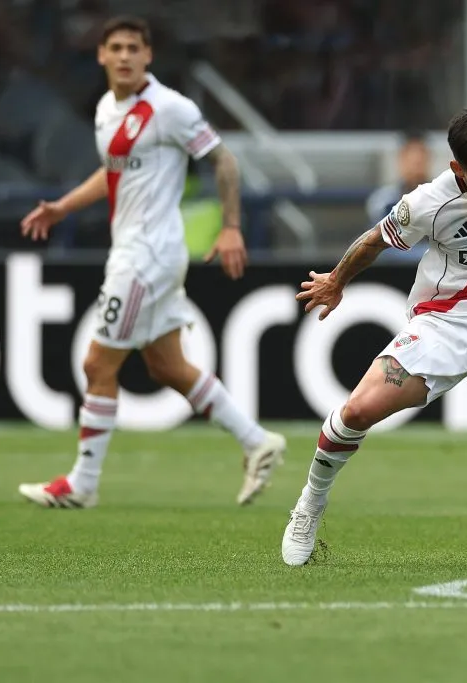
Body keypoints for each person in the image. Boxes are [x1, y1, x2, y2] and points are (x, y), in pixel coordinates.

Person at [281, 104, 467, 566]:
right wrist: (336, 281)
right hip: (444, 323)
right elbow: (375, 239)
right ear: (458, 169)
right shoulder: (428, 204)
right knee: (358, 410)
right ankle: (310, 502)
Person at [17, 16, 286, 509]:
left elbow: (223, 160)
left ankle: (83, 484)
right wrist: (62, 207)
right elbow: (113, 172)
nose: (123, 56)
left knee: (98, 362)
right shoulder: (106, 109)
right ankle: (257, 440)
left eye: (132, 48)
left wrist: (230, 227)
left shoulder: (169, 108)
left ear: (147, 56)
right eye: (114, 47)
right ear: (100, 55)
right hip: (137, 251)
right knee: (167, 366)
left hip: (147, 255)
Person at [366, 132, 432, 260]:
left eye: (421, 156)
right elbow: (377, 244)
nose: (416, 162)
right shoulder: (383, 200)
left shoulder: (442, 197)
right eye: (411, 157)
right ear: (401, 159)